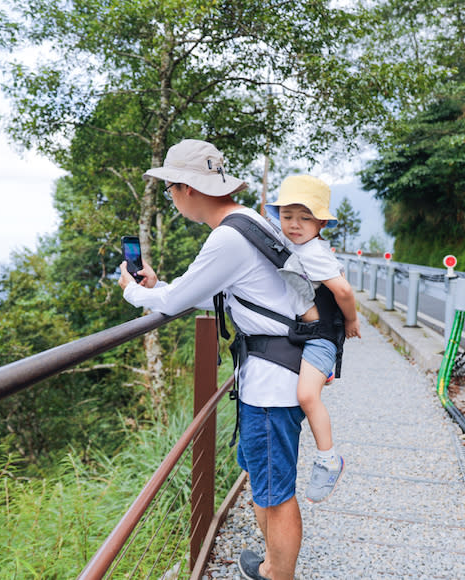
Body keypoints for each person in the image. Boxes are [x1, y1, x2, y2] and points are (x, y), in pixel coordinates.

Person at [117, 139, 306, 580]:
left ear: (187, 189)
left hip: (271, 381)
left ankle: (279, 575)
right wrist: (159, 286)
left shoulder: (227, 237)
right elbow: (210, 292)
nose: (171, 198)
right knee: (266, 481)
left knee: (276, 492)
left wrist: (133, 290)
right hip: (277, 371)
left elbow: (179, 299)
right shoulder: (248, 220)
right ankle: (271, 566)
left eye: (170, 190)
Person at [266, 175, 361, 503]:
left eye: (305, 217)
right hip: (305, 334)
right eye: (287, 216)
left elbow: (344, 290)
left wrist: (351, 321)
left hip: (320, 336)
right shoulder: (295, 244)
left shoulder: (314, 252)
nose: (294, 224)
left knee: (307, 396)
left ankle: (328, 459)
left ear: (321, 221)